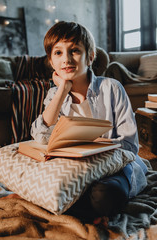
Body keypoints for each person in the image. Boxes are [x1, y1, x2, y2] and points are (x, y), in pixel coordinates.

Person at [31, 21, 147, 221]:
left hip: (111, 168)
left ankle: (77, 205)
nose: (66, 59)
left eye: (74, 50)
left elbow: (129, 145)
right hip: (74, 170)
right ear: (51, 61)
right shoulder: (54, 94)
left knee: (105, 196)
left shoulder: (112, 88)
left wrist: (94, 153)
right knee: (47, 187)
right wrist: (62, 90)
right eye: (58, 53)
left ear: (90, 56)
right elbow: (41, 136)